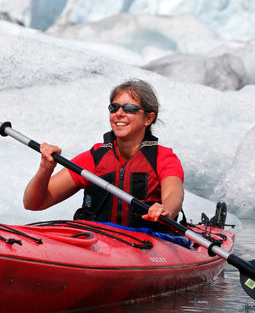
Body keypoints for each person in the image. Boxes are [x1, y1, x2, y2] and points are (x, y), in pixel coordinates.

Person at [23, 79, 184, 231]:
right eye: (114, 108)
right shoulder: (94, 158)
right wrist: (45, 169)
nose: (119, 114)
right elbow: (33, 203)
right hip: (99, 246)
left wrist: (165, 209)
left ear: (148, 118)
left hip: (147, 245)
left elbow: (173, 194)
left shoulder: (162, 158)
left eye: (129, 109)